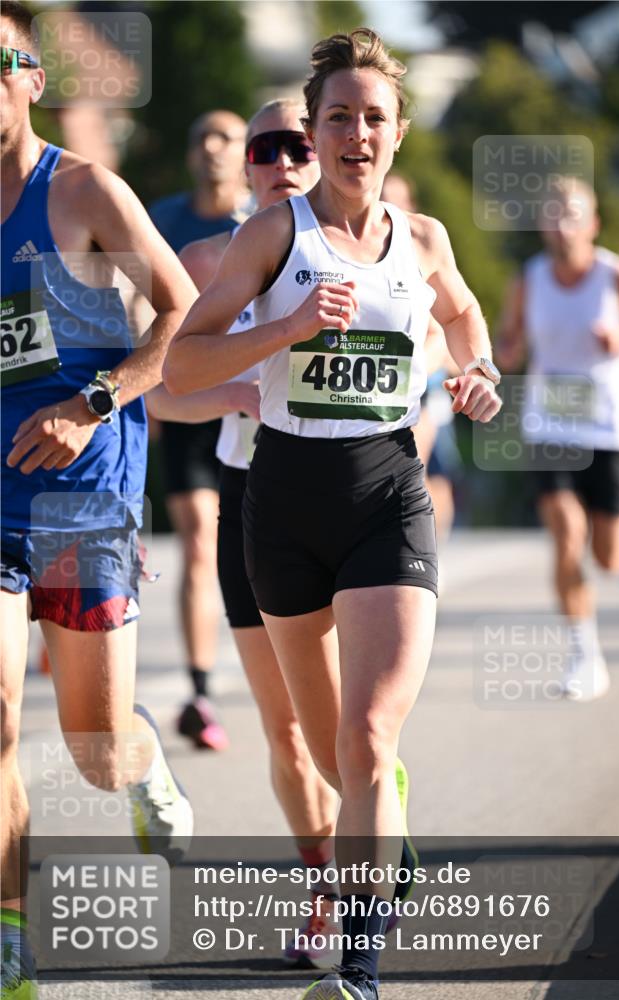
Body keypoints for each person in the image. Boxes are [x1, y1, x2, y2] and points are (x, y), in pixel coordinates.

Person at [164, 29, 501, 1000]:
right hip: (280, 501)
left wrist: (475, 374)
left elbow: (465, 317)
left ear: (397, 133)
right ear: (314, 133)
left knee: (362, 735)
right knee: (325, 748)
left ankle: (357, 968)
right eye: (340, 117)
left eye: (375, 118)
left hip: (385, 494)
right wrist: (290, 326)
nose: (358, 133)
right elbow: (182, 364)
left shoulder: (423, 239)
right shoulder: (273, 237)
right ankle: (376, 830)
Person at [0, 4, 196, 995]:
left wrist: (93, 401)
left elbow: (179, 307)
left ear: (32, 77)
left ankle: (142, 760)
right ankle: (9, 939)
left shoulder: (80, 193)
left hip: (80, 496)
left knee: (93, 748)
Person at [148, 98, 342, 969]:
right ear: (246, 166)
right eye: (265, 148)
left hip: (353, 497)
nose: (281, 160)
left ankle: (369, 845)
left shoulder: (380, 246)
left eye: (298, 144)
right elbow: (160, 391)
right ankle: (326, 885)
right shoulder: (207, 260)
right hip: (254, 496)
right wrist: (232, 391)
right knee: (287, 729)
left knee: (350, 725)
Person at [496, 177, 619, 702]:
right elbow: (507, 345)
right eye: (552, 213)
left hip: (608, 426)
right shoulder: (529, 278)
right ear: (544, 226)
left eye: (573, 213)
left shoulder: (614, 274)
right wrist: (497, 357)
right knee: (566, 534)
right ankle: (584, 659)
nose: (562, 222)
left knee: (608, 554)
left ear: (592, 224)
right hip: (551, 423)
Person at [148, 109, 248, 751]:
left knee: (251, 550)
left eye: (226, 139)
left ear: (246, 154)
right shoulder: (163, 221)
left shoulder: (266, 222)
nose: (211, 148)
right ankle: (202, 690)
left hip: (255, 410)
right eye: (200, 137)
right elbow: (137, 305)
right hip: (187, 402)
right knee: (197, 547)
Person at [382, 170, 462, 541]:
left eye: (397, 200)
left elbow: (454, 325)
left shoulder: (424, 250)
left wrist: (422, 368)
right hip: (378, 386)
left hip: (424, 386)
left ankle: (430, 548)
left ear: (410, 207)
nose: (389, 207)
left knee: (428, 471)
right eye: (384, 198)